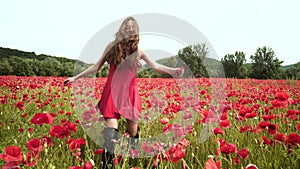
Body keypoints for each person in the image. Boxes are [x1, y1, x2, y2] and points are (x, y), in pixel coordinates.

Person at [64, 16, 184, 168]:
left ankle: (132, 160)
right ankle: (107, 166)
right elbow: (96, 66)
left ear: (136, 31)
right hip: (112, 92)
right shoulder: (112, 46)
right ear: (122, 28)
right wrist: (76, 77)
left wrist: (173, 71)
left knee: (132, 134)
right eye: (126, 26)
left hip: (130, 94)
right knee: (110, 133)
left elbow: (155, 66)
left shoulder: (138, 51)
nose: (129, 28)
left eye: (132, 27)